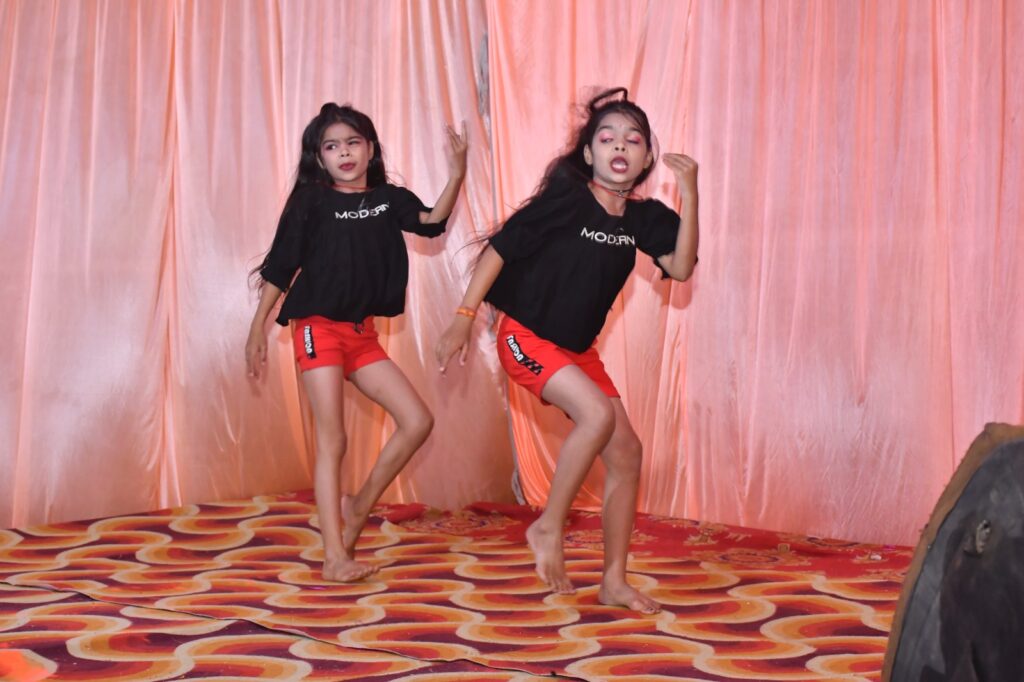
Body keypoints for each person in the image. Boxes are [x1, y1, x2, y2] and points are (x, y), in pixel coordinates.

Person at [435, 88, 697, 613]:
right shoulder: (567, 200)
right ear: (588, 153)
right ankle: (549, 526)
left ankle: (614, 581)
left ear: (647, 158)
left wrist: (690, 194)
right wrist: (464, 318)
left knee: (627, 453)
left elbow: (681, 266)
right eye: (607, 137)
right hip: (525, 336)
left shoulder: (642, 218)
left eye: (633, 140)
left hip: (579, 352)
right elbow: (499, 251)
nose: (619, 145)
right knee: (596, 415)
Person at [247, 103, 467, 582]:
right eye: (332, 146)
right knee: (335, 438)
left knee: (417, 420)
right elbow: (281, 264)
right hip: (316, 327)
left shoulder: (388, 199)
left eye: (352, 143)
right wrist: (257, 328)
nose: (344, 153)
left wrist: (456, 174)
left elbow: (431, 220)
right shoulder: (311, 200)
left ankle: (361, 503)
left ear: (370, 150)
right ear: (319, 157)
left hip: (361, 334)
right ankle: (335, 557)